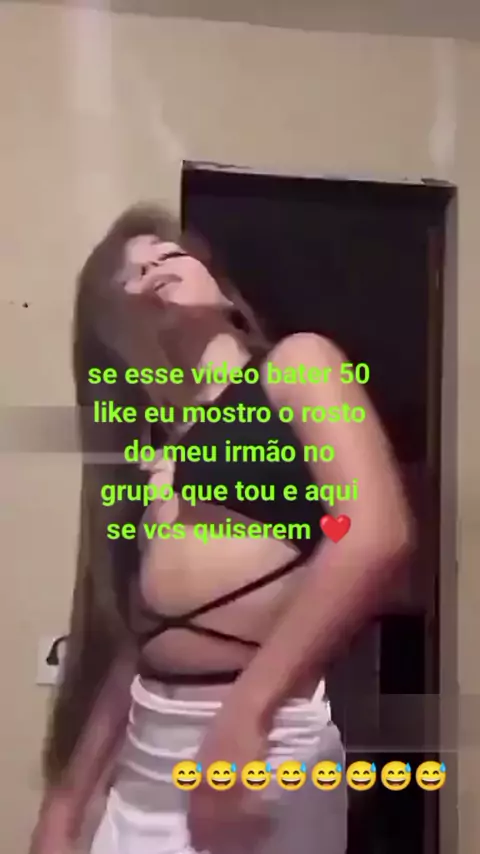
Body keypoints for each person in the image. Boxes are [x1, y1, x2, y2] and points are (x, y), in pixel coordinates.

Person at [30, 203, 413, 854]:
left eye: (168, 254)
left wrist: (245, 717)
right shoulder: (156, 449)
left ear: (225, 292)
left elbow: (376, 534)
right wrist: (68, 802)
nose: (154, 266)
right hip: (145, 759)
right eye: (131, 274)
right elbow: (143, 642)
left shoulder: (295, 366)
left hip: (261, 745)